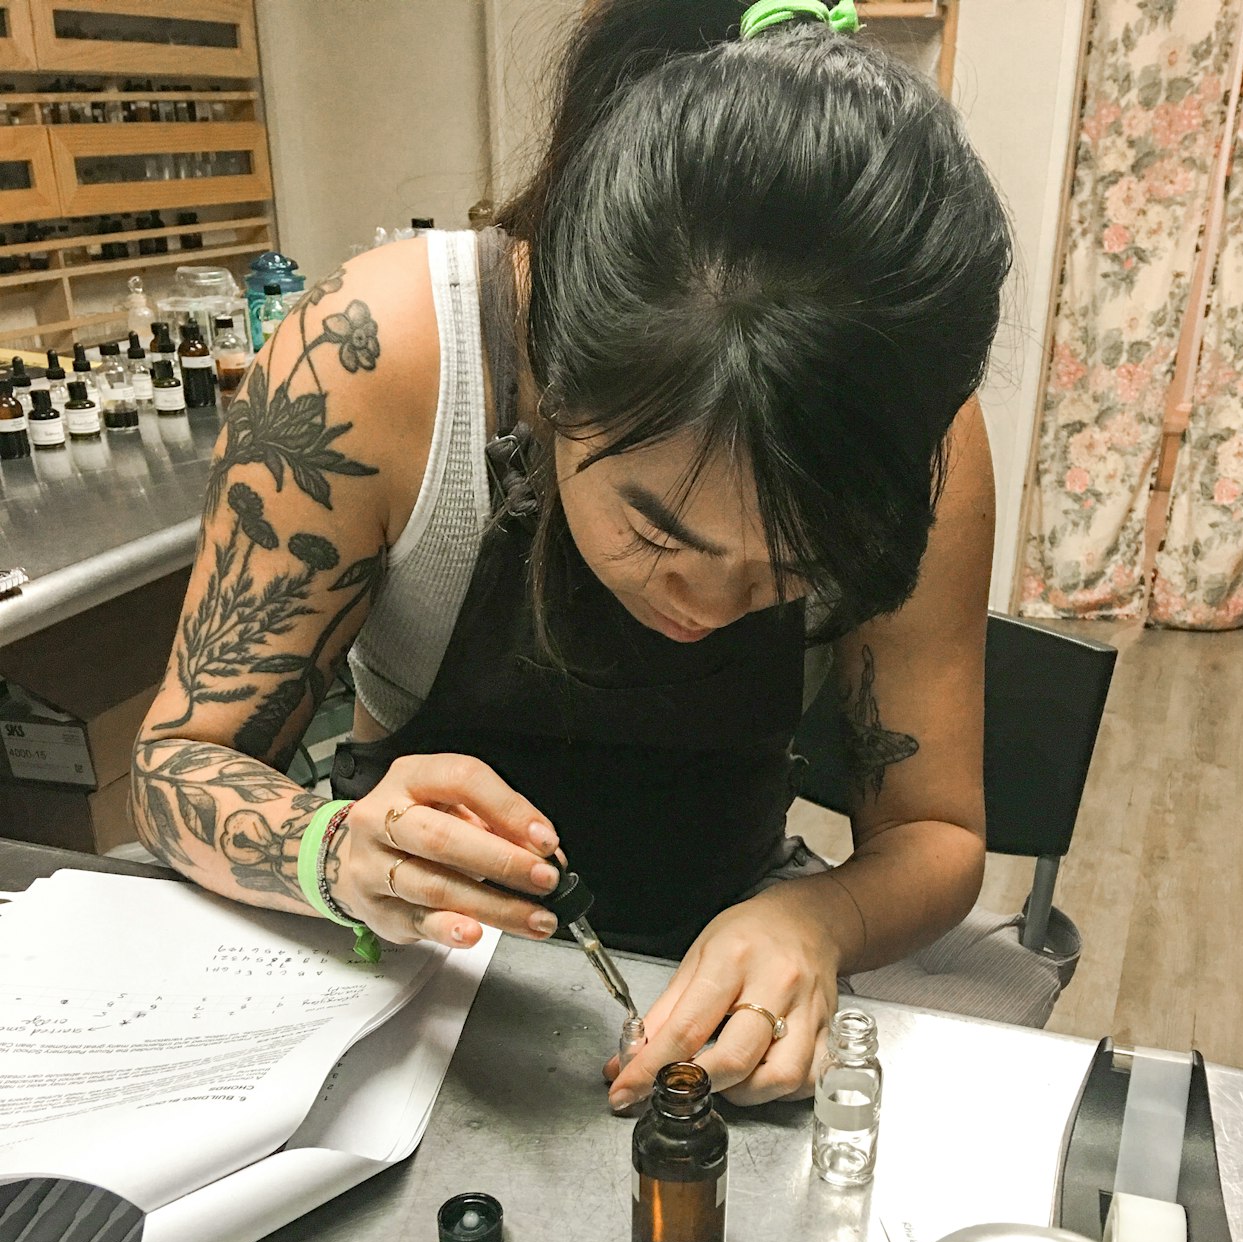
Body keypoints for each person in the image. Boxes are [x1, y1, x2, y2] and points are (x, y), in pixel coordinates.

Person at [131, 0, 1012, 1110]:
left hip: (720, 954)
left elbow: (935, 829)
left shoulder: (914, 432)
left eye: (789, 567)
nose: (709, 602)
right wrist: (333, 848)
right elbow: (172, 764)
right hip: (395, 961)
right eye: (657, 530)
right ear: (552, 375)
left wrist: (816, 917)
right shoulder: (374, 356)